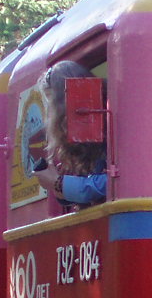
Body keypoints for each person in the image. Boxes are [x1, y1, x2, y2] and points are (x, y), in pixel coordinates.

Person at [32, 60, 107, 207]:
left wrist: (59, 183)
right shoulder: (91, 131)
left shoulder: (112, 120)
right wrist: (60, 187)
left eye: (51, 102)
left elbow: (117, 181)